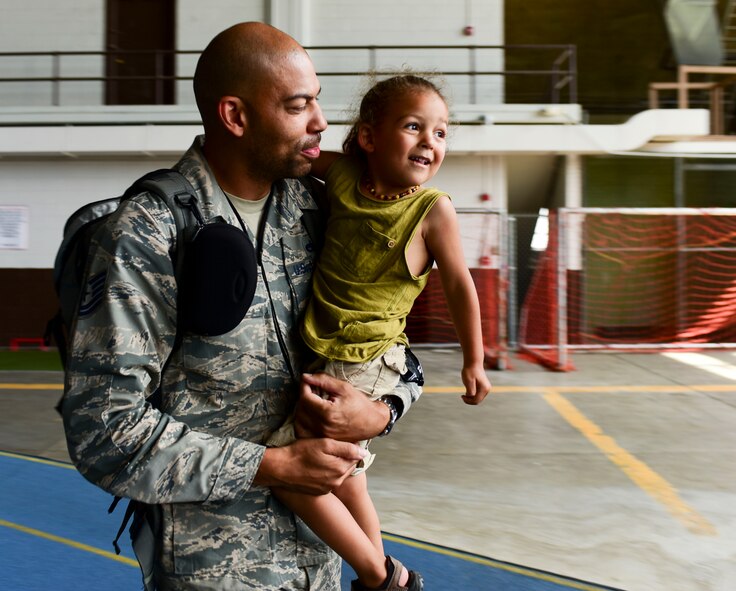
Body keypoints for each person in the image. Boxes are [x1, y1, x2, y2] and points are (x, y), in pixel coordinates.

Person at [60, 22, 422, 591]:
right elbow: (105, 432)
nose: (321, 122)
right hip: (219, 573)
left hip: (325, 566)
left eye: (317, 101)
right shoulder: (150, 233)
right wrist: (271, 465)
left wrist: (384, 410)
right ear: (235, 115)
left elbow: (390, 340)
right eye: (298, 105)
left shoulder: (320, 211)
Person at [266, 74, 492, 591]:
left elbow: (460, 285)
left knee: (291, 473)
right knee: (348, 479)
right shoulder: (345, 176)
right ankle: (384, 582)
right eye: (414, 127)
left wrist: (473, 360)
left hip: (368, 359)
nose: (429, 142)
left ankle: (378, 574)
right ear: (369, 137)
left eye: (440, 133)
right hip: (324, 349)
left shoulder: (431, 210)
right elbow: (292, 154)